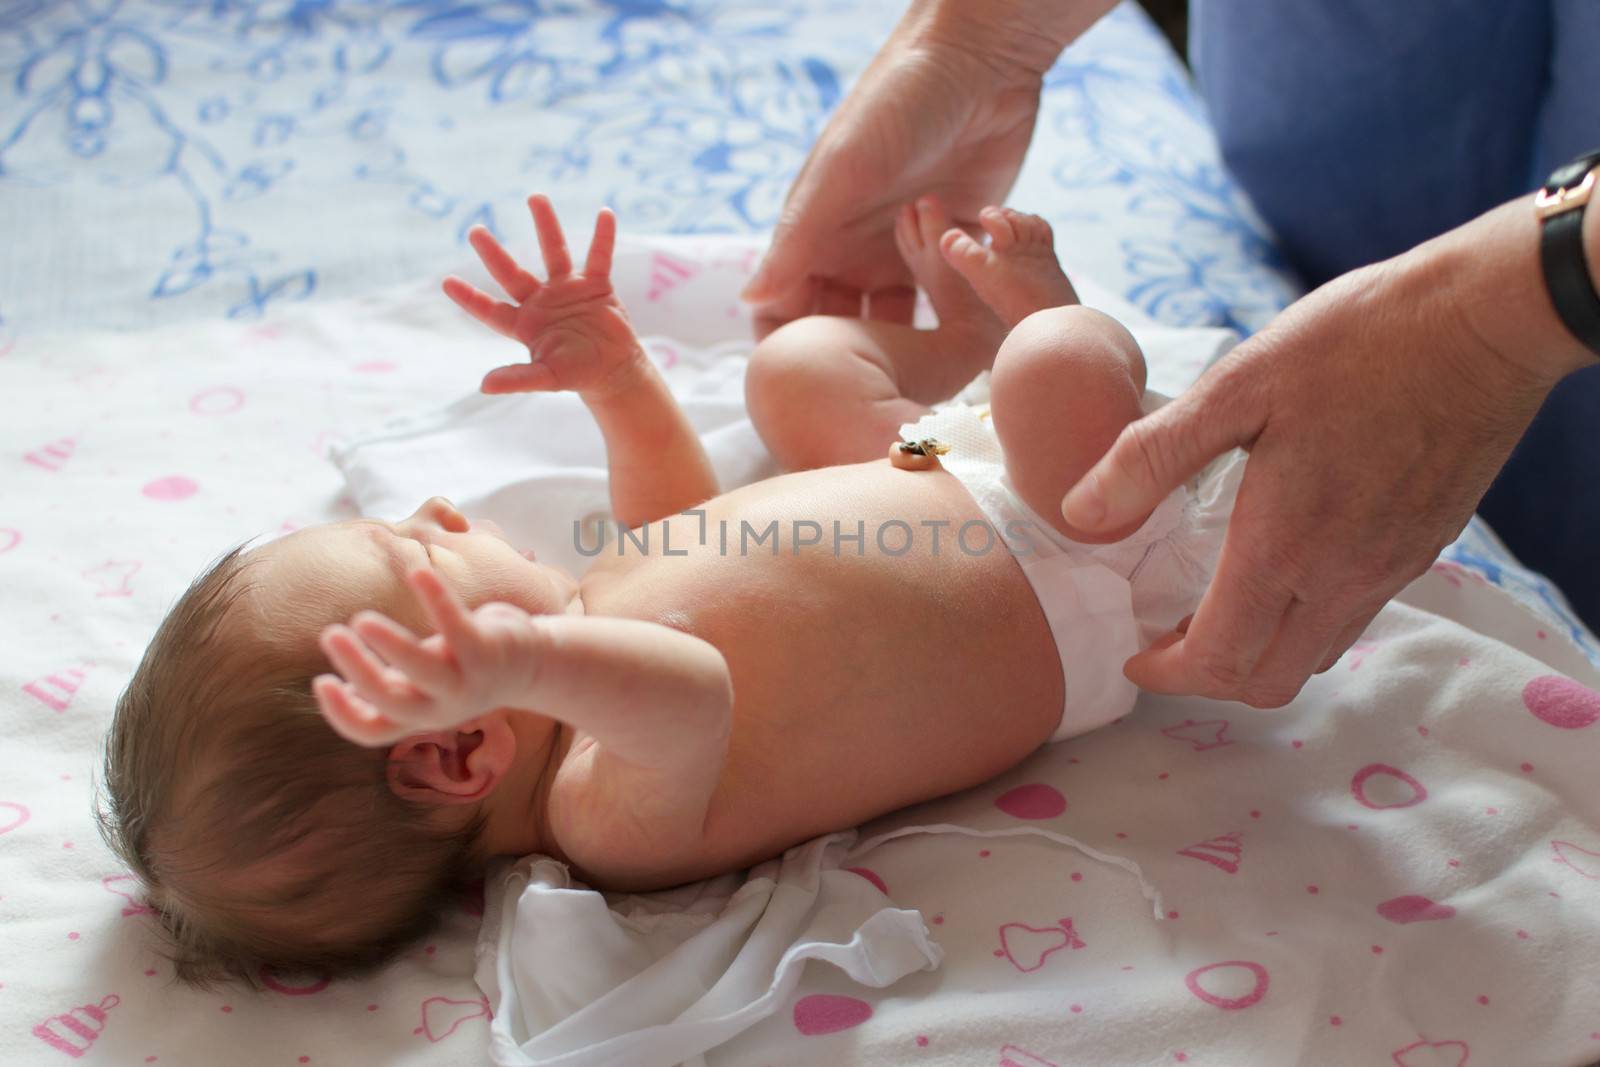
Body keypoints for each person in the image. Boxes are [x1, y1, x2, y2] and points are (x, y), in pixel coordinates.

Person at [98, 194, 1244, 986]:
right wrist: (528, 658)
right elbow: (690, 686)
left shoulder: (591, 624)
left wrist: (619, 379)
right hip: (1085, 568)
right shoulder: (608, 817)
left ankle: (986, 356)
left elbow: (671, 525)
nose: (443, 512)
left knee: (790, 369)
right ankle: (1054, 325)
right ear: (457, 752)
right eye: (420, 558)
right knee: (1053, 369)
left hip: (942, 467)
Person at [742, 0, 1600, 710]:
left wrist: (1499, 315)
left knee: (925, 367)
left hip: (975, 498)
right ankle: (994, 349)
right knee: (795, 370)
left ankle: (1009, 342)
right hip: (983, 521)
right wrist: (981, 35)